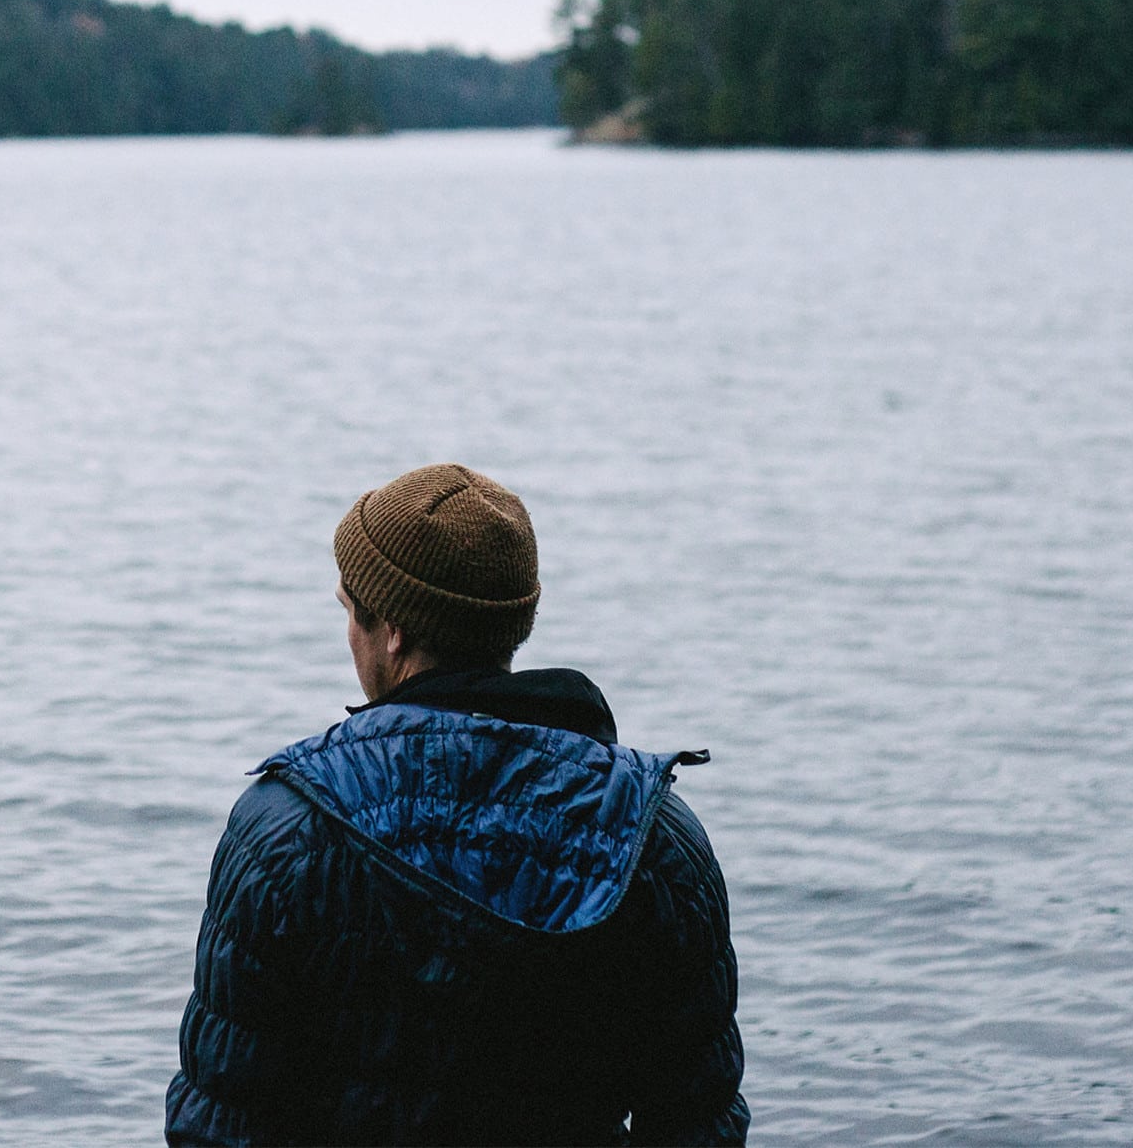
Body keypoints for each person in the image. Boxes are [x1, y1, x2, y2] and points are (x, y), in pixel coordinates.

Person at [166, 463, 748, 1146]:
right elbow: (696, 1122)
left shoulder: (285, 831)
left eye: (349, 608)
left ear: (391, 632)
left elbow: (223, 1122)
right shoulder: (650, 835)